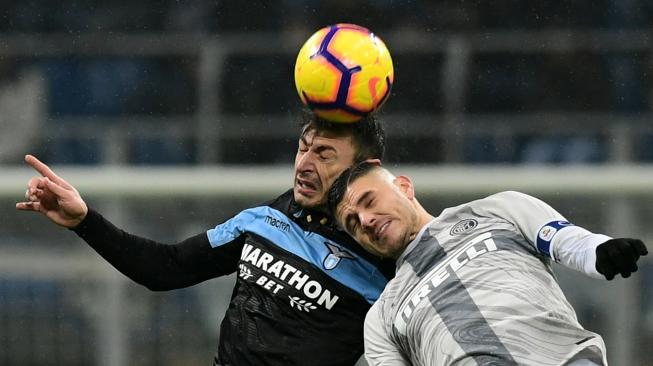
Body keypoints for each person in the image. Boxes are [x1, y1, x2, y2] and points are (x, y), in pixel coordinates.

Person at [15, 113, 395, 366]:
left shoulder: (387, 255)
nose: (304, 164)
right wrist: (84, 220)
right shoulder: (269, 218)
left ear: (364, 169)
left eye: (324, 154)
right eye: (303, 147)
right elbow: (166, 269)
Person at [327, 161, 648, 366]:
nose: (366, 220)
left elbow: (569, 241)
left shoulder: (497, 210)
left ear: (404, 186)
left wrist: (601, 251)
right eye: (353, 222)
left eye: (369, 201)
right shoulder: (382, 318)